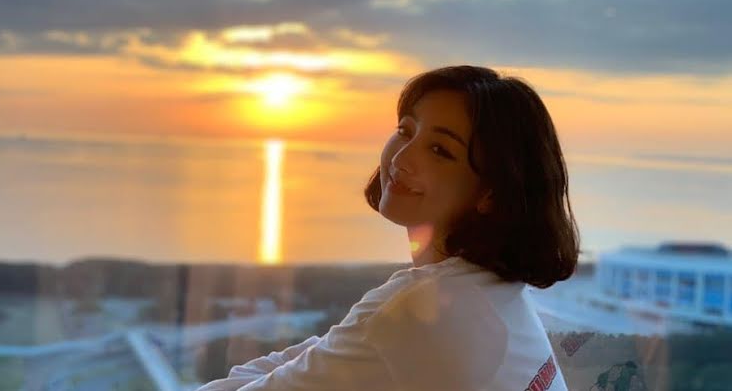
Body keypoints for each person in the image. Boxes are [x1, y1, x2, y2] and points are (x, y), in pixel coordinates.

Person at [198, 65, 579, 391]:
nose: (401, 157)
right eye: (405, 130)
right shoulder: (497, 291)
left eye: (440, 150)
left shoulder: (417, 311)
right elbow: (319, 354)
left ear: (490, 193)